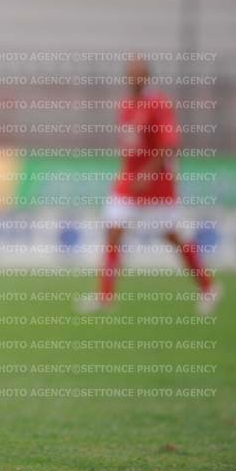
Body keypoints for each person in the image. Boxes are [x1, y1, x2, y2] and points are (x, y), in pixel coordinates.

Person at [82, 58, 221, 315]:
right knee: (113, 231)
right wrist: (131, 172)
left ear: (147, 76)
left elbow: (171, 144)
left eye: (137, 74)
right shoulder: (126, 105)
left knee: (173, 236)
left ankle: (208, 286)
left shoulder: (158, 104)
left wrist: (148, 172)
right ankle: (105, 296)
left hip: (157, 186)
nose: (132, 78)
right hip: (129, 184)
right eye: (129, 73)